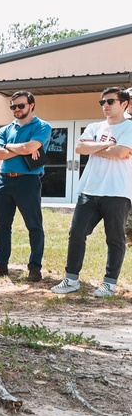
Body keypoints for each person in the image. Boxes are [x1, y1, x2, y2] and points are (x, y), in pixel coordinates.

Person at [51, 88, 132, 297]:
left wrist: (96, 147)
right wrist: (107, 144)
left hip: (117, 192)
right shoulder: (95, 127)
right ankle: (71, 279)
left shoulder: (130, 127)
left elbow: (121, 152)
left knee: (114, 239)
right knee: (76, 234)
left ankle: (109, 283)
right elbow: (79, 148)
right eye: (102, 102)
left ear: (124, 104)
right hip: (89, 190)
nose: (105, 105)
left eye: (110, 101)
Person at [0, 91, 52, 281]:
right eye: (13, 106)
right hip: (4, 181)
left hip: (28, 181)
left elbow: (29, 148)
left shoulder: (42, 126)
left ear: (31, 105)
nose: (16, 109)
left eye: (21, 105)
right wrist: (22, 148)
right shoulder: (6, 129)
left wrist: (12, 147)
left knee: (34, 226)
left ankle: (34, 267)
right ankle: (1, 265)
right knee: (2, 227)